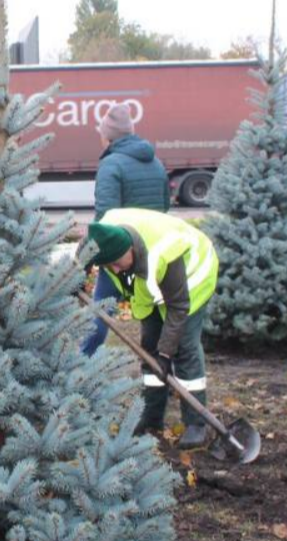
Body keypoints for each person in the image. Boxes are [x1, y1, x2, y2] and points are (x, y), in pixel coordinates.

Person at [83, 209, 219, 449]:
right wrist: (77, 277)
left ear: (131, 250)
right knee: (150, 346)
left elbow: (178, 308)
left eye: (117, 262)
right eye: (107, 265)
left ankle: (196, 423)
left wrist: (166, 353)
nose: (114, 270)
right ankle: (151, 416)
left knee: (183, 347)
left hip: (192, 278)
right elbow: (82, 254)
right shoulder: (102, 238)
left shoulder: (164, 254)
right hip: (149, 283)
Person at [82, 103, 171, 356]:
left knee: (99, 314)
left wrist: (84, 266)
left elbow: (104, 221)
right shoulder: (156, 163)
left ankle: (78, 364)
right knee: (156, 318)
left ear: (107, 136)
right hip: (154, 255)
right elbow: (165, 209)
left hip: (122, 255)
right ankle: (163, 372)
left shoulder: (111, 165)